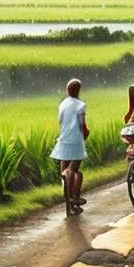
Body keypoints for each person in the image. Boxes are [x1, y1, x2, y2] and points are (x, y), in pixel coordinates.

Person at [50, 79, 89, 213]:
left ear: (68, 90)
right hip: (76, 140)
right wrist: (86, 133)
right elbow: (81, 124)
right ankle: (75, 197)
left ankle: (65, 180)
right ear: (78, 91)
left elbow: (60, 121)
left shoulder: (62, 104)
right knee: (75, 168)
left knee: (64, 162)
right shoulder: (80, 105)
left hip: (64, 138)